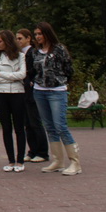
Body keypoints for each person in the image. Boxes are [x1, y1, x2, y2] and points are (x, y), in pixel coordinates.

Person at [33, 22, 81, 175]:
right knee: (49, 126)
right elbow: (33, 70)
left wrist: (60, 81)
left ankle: (75, 162)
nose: (37, 37)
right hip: (39, 91)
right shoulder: (36, 51)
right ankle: (57, 161)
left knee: (60, 126)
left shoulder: (60, 49)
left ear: (47, 33)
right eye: (35, 34)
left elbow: (69, 69)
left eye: (40, 34)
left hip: (57, 91)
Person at [0, 30, 27, 172]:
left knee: (19, 127)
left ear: (7, 41)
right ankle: (11, 160)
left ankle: (20, 160)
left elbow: (22, 74)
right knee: (6, 127)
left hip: (17, 93)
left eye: (0, 41)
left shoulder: (20, 56)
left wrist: (2, 74)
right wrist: (12, 76)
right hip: (1, 93)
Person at [16, 28, 49, 163]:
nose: (18, 41)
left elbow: (35, 70)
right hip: (22, 92)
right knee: (27, 123)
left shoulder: (33, 53)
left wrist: (30, 80)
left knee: (35, 122)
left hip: (32, 92)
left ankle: (42, 152)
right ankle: (32, 150)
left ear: (28, 38)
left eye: (20, 38)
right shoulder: (18, 54)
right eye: (16, 39)